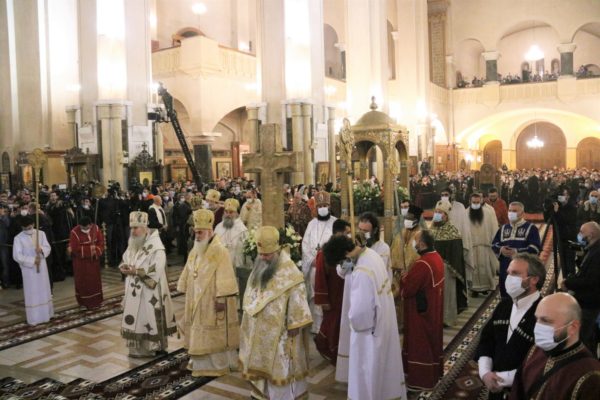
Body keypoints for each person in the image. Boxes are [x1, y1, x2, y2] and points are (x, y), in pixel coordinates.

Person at [322, 234, 407, 400]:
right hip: (384, 322)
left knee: (368, 374)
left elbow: (360, 315)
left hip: (369, 334)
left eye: (341, 261)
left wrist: (352, 322)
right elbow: (345, 271)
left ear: (346, 254)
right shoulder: (370, 254)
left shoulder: (361, 272)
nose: (342, 264)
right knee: (385, 371)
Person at [239, 226, 313, 400]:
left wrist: (295, 323)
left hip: (282, 332)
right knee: (261, 363)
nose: (263, 258)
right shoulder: (259, 267)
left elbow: (298, 296)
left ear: (277, 250)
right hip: (260, 330)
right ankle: (263, 393)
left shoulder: (290, 272)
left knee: (280, 366)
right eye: (261, 254)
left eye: (267, 255)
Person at [177, 209, 239, 377]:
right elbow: (189, 269)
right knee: (197, 330)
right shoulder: (195, 249)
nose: (197, 236)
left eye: (200, 232)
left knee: (213, 331)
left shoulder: (220, 251)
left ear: (210, 231)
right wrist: (184, 285)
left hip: (212, 298)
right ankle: (198, 362)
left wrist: (221, 299)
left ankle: (217, 364)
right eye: (196, 232)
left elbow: (226, 275)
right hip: (195, 297)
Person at [476, 253, 545, 399]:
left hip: (524, 391)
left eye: (515, 273)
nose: (509, 278)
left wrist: (502, 379)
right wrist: (485, 372)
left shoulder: (545, 314)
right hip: (495, 389)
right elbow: (487, 340)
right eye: (508, 273)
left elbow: (542, 361)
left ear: (534, 279)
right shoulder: (504, 305)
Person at [509, 293, 600, 400]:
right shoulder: (535, 350)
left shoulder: (591, 377)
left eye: (546, 321)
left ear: (573, 327)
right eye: (537, 319)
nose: (537, 327)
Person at [119, 211, 177, 357]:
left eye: (136, 228)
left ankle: (152, 347)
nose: (133, 231)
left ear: (145, 228)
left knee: (148, 318)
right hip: (133, 290)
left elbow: (155, 271)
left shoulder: (157, 247)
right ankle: (136, 349)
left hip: (150, 292)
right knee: (136, 318)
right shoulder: (134, 242)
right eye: (131, 228)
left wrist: (136, 271)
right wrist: (124, 265)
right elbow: (126, 257)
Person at [401, 230, 444, 391]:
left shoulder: (422, 264)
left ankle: (421, 381)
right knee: (432, 340)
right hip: (434, 308)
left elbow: (409, 289)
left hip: (420, 312)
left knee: (420, 343)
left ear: (422, 244)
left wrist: (404, 277)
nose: (414, 243)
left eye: (416, 240)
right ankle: (433, 374)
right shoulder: (436, 257)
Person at [314, 218, 351, 364]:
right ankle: (329, 350)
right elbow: (320, 277)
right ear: (339, 233)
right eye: (347, 233)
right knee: (332, 327)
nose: (349, 236)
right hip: (332, 297)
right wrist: (323, 300)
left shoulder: (347, 249)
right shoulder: (324, 252)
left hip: (345, 295)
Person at [562, 221, 600, 355]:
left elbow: (591, 280)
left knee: (585, 338)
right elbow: (585, 270)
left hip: (590, 303)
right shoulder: (593, 248)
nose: (579, 235)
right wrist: (579, 256)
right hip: (587, 300)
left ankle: (586, 361)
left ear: (591, 234)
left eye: (582, 232)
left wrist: (568, 282)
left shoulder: (598, 252)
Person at [301, 190, 337, 333]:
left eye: (325, 205)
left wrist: (326, 262)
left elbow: (338, 244)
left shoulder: (335, 223)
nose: (322, 208)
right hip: (314, 267)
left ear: (329, 206)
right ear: (316, 207)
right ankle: (316, 326)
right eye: (320, 206)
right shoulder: (311, 224)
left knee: (329, 296)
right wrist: (312, 260)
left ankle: (328, 327)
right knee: (314, 296)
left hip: (329, 268)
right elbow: (305, 244)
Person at [431, 200, 468, 326]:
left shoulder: (453, 231)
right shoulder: (430, 230)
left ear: (446, 216)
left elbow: (457, 254)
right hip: (431, 269)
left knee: (447, 295)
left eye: (440, 212)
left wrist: (453, 269)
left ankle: (447, 319)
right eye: (436, 212)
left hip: (447, 270)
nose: (437, 214)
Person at [492, 201, 541, 298]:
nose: (511, 213)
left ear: (522, 213)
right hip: (505, 268)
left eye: (514, 211)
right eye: (510, 210)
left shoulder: (531, 228)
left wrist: (516, 252)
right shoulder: (503, 228)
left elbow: (535, 248)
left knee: (522, 296)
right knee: (506, 295)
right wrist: (501, 249)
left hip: (523, 270)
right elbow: (494, 244)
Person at [12, 216, 53, 325]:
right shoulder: (18, 238)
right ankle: (34, 318)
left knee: (44, 290)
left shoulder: (41, 234)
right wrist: (32, 260)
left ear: (34, 224)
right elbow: (17, 255)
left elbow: (48, 247)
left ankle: (47, 314)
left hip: (42, 267)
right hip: (29, 270)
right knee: (33, 292)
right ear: (22, 227)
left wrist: (42, 250)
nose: (28, 230)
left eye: (30, 227)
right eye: (25, 228)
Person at [214, 198, 250, 304]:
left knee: (233, 294)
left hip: (235, 264)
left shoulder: (242, 230)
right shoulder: (218, 227)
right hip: (220, 263)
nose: (228, 214)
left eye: (231, 212)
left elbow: (246, 250)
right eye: (226, 212)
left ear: (236, 213)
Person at [68, 216, 104, 310]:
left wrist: (96, 250)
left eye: (87, 227)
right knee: (83, 282)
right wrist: (90, 249)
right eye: (83, 228)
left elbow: (101, 243)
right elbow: (75, 248)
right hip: (81, 263)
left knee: (94, 281)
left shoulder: (95, 228)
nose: (85, 229)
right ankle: (83, 303)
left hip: (93, 262)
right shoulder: (74, 232)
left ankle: (97, 301)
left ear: (90, 225)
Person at [467, 193, 499, 295]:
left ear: (481, 201)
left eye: (478, 202)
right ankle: (474, 289)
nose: (476, 204)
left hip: (486, 246)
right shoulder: (465, 213)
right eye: (474, 202)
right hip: (471, 247)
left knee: (486, 267)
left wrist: (495, 242)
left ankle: (486, 287)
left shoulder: (488, 213)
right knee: (473, 268)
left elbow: (494, 227)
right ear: (470, 202)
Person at [358, 211, 391, 278]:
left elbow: (377, 271)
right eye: (360, 229)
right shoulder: (356, 245)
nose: (361, 234)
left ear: (375, 230)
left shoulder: (383, 248)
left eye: (365, 231)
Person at [173, 193, 192, 262]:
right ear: (188, 197)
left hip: (184, 225)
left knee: (184, 242)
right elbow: (183, 216)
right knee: (185, 242)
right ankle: (185, 258)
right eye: (191, 197)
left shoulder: (185, 204)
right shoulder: (184, 205)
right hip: (184, 226)